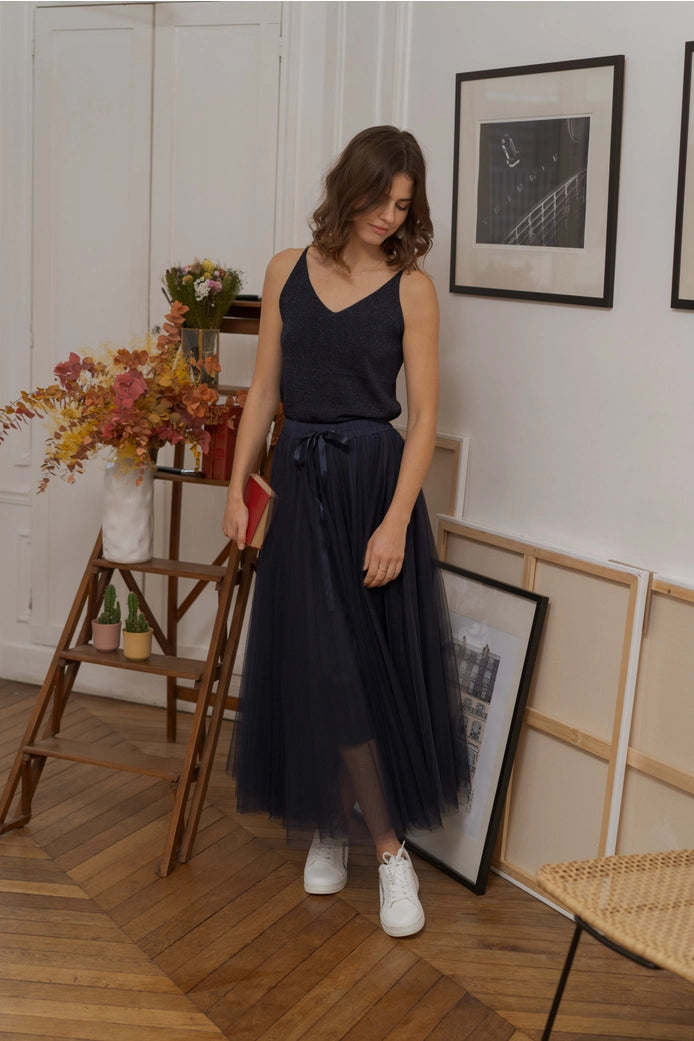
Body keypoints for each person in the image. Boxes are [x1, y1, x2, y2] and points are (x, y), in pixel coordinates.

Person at [222, 126, 468, 938]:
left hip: (371, 484)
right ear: (349, 186)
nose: (389, 217)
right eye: (380, 198)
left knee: (356, 664)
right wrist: (238, 490)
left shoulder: (412, 291)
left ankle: (389, 850)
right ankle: (333, 822)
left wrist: (397, 519)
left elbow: (428, 416)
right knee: (317, 658)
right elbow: (262, 393)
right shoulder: (286, 270)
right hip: (296, 478)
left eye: (404, 206)